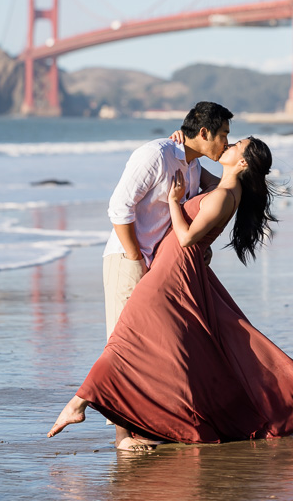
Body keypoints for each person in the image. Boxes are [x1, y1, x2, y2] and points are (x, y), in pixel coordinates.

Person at [48, 137, 293, 449]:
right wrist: (182, 148)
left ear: (243, 163)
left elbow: (185, 238)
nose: (230, 143)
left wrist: (173, 200)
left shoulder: (225, 194)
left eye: (237, 144)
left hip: (170, 274)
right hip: (171, 269)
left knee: (127, 340)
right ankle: (122, 417)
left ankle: (81, 405)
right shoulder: (223, 188)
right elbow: (198, 171)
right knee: (151, 345)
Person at [100, 101, 233, 449]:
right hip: (128, 260)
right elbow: (118, 207)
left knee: (153, 347)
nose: (225, 144)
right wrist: (135, 260)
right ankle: (122, 437)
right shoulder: (155, 155)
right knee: (123, 345)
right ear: (203, 133)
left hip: (156, 267)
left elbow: (225, 188)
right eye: (222, 136)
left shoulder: (192, 164)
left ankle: (147, 427)